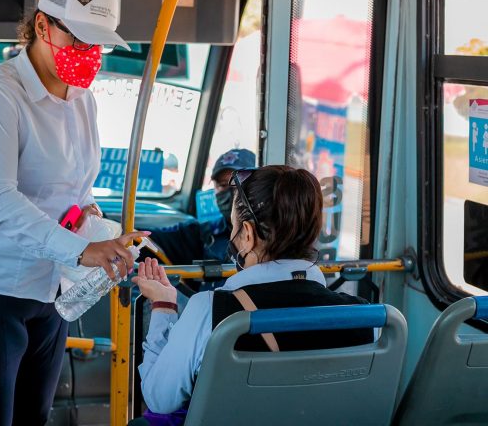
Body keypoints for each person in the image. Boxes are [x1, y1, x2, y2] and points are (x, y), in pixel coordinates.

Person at [0, 0, 147, 426]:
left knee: (34, 418)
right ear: (42, 26)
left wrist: (91, 222)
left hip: (46, 285)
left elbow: (74, 188)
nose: (89, 54)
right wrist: (82, 249)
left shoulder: (83, 99)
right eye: (79, 38)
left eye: (97, 43)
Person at [131, 165, 374, 423]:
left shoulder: (212, 311)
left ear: (247, 234)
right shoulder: (367, 319)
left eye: (235, 227)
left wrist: (163, 306)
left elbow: (160, 398)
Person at [147, 149, 256, 265]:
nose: (231, 191)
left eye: (238, 183)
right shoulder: (203, 234)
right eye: (223, 185)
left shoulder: (272, 234)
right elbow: (157, 238)